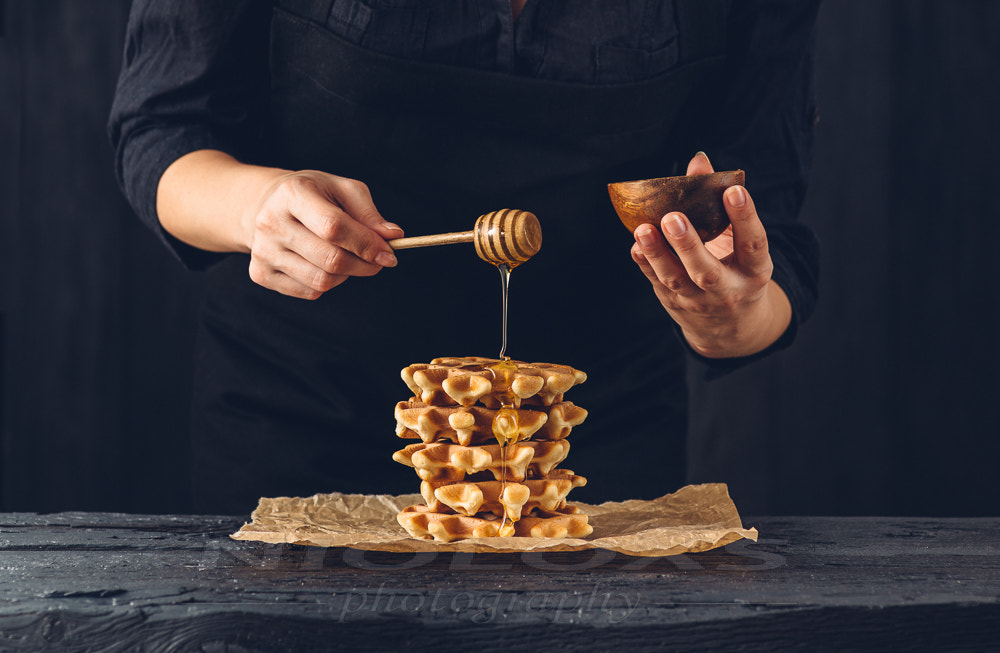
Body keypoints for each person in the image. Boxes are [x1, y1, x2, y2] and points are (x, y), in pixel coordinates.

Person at [109, 0, 821, 514]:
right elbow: (163, 129)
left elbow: (772, 236)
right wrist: (254, 205)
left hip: (588, 440)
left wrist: (731, 314)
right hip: (298, 418)